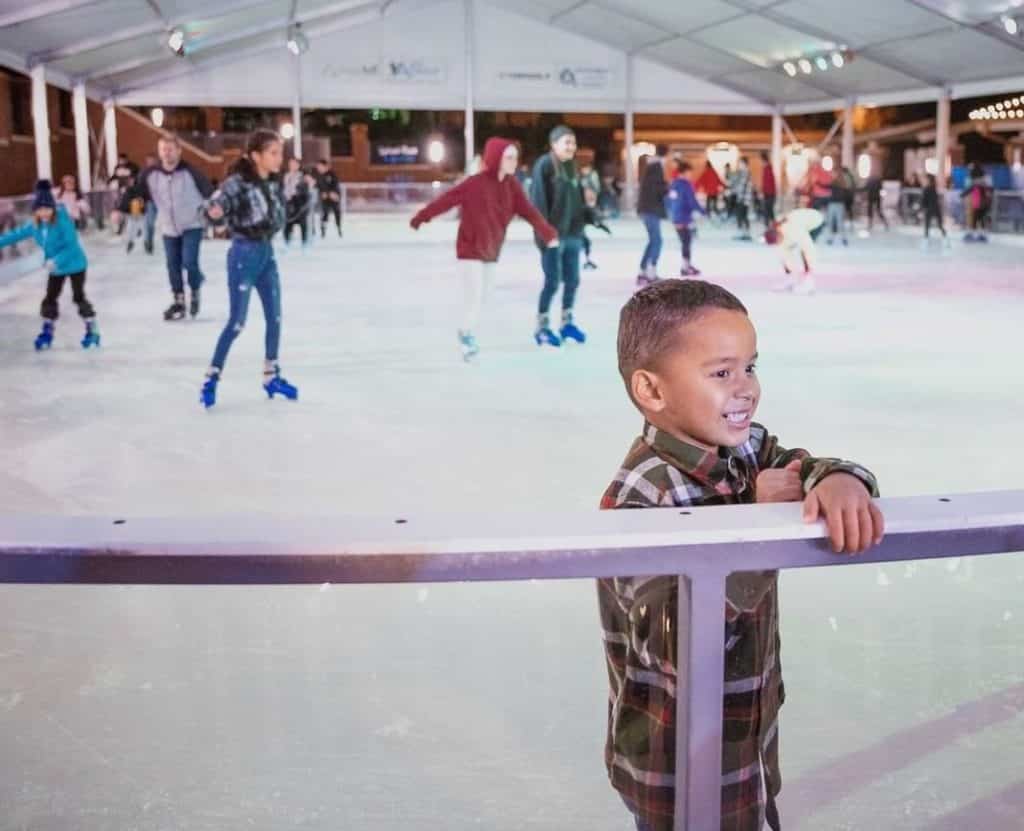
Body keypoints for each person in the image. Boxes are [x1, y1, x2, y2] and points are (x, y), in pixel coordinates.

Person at [600, 278, 884, 831]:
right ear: (652, 391)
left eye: (751, 367)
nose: (746, 389)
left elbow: (806, 463)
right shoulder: (643, 492)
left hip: (746, 731)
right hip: (676, 758)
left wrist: (843, 478)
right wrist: (753, 523)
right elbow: (673, 637)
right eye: (721, 372)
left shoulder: (745, 449)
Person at [410, 137, 558, 360]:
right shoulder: (475, 183)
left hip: (491, 250)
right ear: (496, 158)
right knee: (474, 296)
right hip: (469, 249)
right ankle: (466, 335)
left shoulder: (512, 186)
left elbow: (528, 211)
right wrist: (422, 217)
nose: (514, 162)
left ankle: (465, 328)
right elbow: (446, 200)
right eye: (509, 158)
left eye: (515, 158)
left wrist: (547, 232)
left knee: (484, 296)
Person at [199, 129, 296, 409]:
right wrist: (214, 210)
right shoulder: (237, 183)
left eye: (280, 152)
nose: (280, 158)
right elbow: (217, 203)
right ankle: (211, 378)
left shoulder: (273, 182)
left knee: (275, 318)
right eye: (274, 153)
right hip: (244, 254)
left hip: (266, 254)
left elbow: (278, 214)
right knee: (237, 322)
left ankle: (271, 375)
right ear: (256, 156)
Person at [112, 135, 213, 320]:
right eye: (163, 149)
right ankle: (179, 300)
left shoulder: (191, 172)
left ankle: (195, 290)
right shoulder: (150, 174)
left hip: (192, 224)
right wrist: (119, 209)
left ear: (179, 151)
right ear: (159, 152)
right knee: (173, 265)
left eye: (170, 149)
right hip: (168, 227)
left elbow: (209, 191)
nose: (167, 153)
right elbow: (134, 191)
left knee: (189, 262)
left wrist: (214, 210)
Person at [0, 180, 99, 351]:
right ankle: (47, 329)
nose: (44, 213)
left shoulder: (63, 221)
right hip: (56, 268)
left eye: (47, 209)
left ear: (53, 208)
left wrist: (56, 260)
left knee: (78, 297)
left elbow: (72, 245)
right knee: (50, 298)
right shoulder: (35, 224)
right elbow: (15, 235)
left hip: (75, 264)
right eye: (40, 210)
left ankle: (92, 329)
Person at [528, 125, 588, 348]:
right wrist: (545, 233)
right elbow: (538, 202)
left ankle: (566, 324)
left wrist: (590, 215)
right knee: (553, 282)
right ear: (554, 144)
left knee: (572, 281)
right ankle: (542, 327)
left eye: (573, 142)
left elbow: (577, 200)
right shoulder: (545, 165)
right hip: (552, 236)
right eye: (566, 142)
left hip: (573, 234)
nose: (571, 147)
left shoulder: (572, 166)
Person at [764, 207, 825, 294]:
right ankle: (790, 278)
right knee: (783, 250)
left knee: (804, 250)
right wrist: (790, 270)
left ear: (779, 233)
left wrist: (809, 269)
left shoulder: (794, 230)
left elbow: (809, 248)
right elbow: (783, 253)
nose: (778, 243)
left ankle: (809, 282)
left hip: (816, 221)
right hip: (798, 221)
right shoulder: (778, 229)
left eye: (778, 240)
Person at [665, 159, 705, 276]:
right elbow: (691, 201)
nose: (691, 175)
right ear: (684, 172)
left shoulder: (673, 184)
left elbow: (668, 200)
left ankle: (686, 265)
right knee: (686, 241)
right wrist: (702, 211)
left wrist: (672, 213)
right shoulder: (686, 185)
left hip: (676, 217)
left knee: (685, 241)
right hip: (683, 217)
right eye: (689, 172)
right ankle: (685, 266)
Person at [636, 145, 669, 287]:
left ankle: (643, 270)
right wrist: (667, 188)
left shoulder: (651, 166)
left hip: (646, 209)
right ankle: (651, 271)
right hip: (650, 209)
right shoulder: (656, 167)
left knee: (653, 240)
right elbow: (657, 188)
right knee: (657, 241)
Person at [115, 174, 150, 254]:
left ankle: (146, 243)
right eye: (129, 180)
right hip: (132, 214)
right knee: (131, 229)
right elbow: (124, 202)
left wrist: (142, 203)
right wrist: (120, 209)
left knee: (144, 228)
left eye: (131, 179)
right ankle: (131, 243)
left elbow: (146, 198)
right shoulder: (127, 190)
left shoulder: (140, 189)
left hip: (141, 213)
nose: (130, 181)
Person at [281, 157, 311, 249]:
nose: (292, 165)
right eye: (290, 163)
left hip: (299, 203)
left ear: (298, 165)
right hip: (288, 202)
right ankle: (287, 243)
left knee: (303, 225)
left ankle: (304, 244)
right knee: (288, 225)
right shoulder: (285, 176)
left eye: (294, 164)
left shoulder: (302, 177)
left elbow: (306, 190)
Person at [962, 163, 992, 243]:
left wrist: (963, 195)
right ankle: (976, 234)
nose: (969, 170)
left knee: (976, 218)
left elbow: (969, 189)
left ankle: (977, 234)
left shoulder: (978, 180)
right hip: (977, 202)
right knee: (977, 218)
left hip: (977, 202)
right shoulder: (984, 179)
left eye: (971, 169)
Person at [921, 173, 950, 248]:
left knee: (927, 224)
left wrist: (923, 207)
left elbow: (924, 200)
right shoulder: (934, 188)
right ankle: (945, 235)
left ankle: (926, 238)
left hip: (930, 208)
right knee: (938, 224)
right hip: (936, 207)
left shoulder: (928, 188)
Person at [315, 159, 343, 238]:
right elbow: (318, 187)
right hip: (325, 199)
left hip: (334, 198)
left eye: (320, 167)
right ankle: (323, 231)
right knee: (324, 214)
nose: (319, 168)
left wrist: (334, 194)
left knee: (337, 212)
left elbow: (336, 186)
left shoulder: (332, 174)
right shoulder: (319, 176)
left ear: (325, 166)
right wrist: (323, 194)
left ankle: (339, 228)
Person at [729, 157, 754, 241]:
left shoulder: (745, 173)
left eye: (740, 163)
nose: (739, 165)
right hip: (743, 197)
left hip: (744, 198)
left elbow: (742, 186)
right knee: (742, 215)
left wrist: (735, 192)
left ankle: (745, 233)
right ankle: (745, 233)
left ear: (744, 164)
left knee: (742, 215)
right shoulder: (743, 173)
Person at [825, 169, 849, 246]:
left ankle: (843, 238)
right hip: (834, 204)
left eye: (833, 174)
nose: (832, 175)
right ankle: (831, 238)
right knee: (832, 221)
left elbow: (827, 186)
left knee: (838, 222)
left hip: (837, 204)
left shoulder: (839, 183)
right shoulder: (837, 183)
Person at [142, 154, 158, 254]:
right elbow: (140, 186)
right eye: (149, 161)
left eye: (153, 160)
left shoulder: (160, 171)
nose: (151, 162)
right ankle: (148, 241)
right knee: (150, 222)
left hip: (161, 201)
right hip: (150, 201)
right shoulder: (144, 173)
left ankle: (148, 240)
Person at [760, 151, 777, 225]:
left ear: (763, 160)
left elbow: (767, 183)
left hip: (769, 193)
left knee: (768, 209)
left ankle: (770, 224)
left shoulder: (768, 169)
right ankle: (772, 224)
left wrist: (762, 192)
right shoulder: (767, 168)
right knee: (769, 210)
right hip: (769, 193)